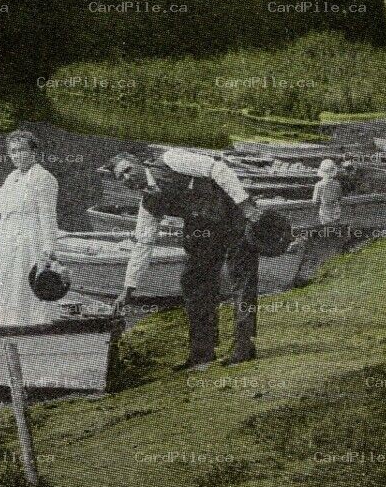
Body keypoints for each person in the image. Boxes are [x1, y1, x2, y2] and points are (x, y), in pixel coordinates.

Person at [103, 149, 266, 370]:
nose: (127, 177)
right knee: (193, 281)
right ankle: (202, 351)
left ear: (139, 163)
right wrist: (128, 289)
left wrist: (245, 205)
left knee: (241, 277)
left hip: (234, 214)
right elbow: (143, 244)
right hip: (203, 229)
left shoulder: (171, 160)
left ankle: (243, 346)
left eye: (127, 170)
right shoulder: (148, 204)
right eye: (121, 177)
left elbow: (217, 168)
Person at [0, 129, 61, 326]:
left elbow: (48, 216)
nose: (17, 155)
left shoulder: (44, 178)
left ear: (33, 152)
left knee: (23, 282)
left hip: (29, 238)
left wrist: (49, 248)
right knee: (4, 281)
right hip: (6, 237)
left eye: (22, 150)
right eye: (13, 151)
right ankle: (0, 323)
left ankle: (28, 325)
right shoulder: (12, 177)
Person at [312, 158, 344, 224]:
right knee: (336, 225)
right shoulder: (337, 184)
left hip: (325, 211)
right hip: (335, 210)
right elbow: (340, 197)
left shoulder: (318, 185)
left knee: (326, 226)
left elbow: (315, 201)